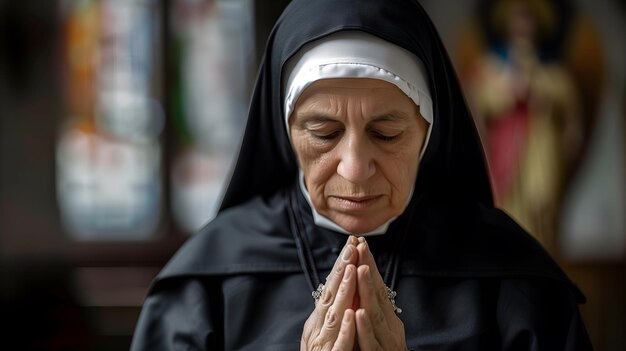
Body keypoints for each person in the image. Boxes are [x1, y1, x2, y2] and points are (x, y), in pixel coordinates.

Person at [131, 0, 593, 349]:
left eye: (387, 134)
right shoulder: (204, 290)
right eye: (324, 132)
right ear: (285, 130)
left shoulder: (516, 283)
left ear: (429, 131)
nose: (354, 168)